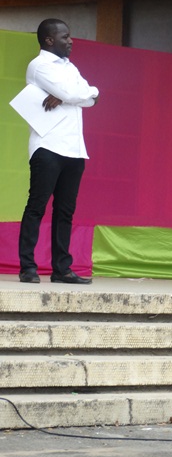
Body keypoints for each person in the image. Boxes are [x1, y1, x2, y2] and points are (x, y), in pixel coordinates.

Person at [18, 18, 99, 284]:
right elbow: (75, 94)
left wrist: (78, 94)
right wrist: (72, 95)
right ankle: (27, 267)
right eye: (65, 37)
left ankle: (61, 269)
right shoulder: (39, 65)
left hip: (74, 148)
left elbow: (92, 97)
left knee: (65, 211)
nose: (71, 41)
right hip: (48, 146)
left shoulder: (70, 67)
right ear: (49, 40)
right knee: (37, 206)